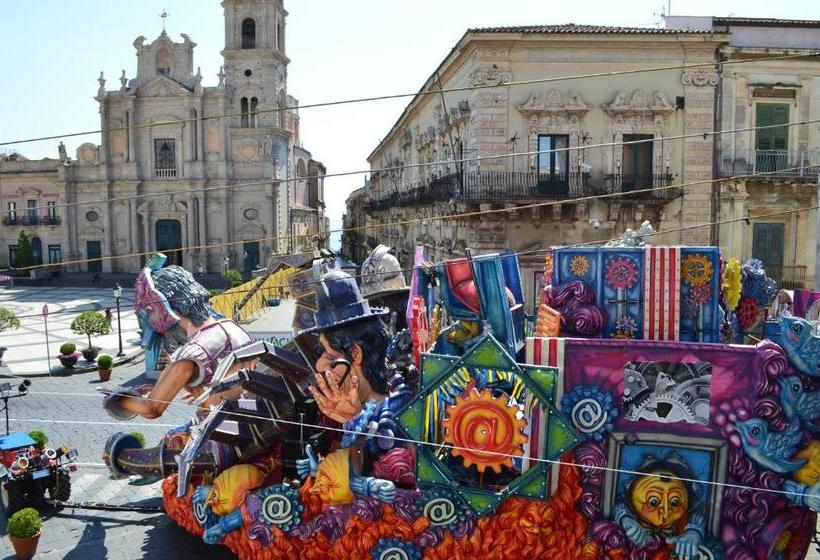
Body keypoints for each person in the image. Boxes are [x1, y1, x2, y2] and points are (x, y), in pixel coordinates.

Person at [102, 253, 254, 420]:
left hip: (223, 430)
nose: (151, 323)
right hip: (251, 418)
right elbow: (228, 383)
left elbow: (152, 409)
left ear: (163, 309)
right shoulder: (230, 326)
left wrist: (118, 398)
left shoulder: (191, 353)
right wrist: (203, 391)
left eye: (150, 311)